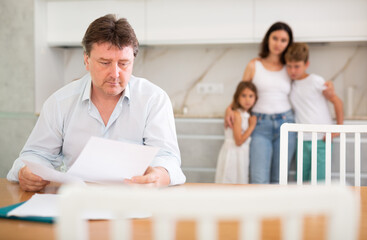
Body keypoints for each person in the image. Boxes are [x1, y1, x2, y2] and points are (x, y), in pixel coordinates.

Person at [7, 14, 186, 191]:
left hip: (135, 201)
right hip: (77, 201)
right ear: (87, 60)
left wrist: (159, 176)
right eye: (105, 62)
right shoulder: (59, 103)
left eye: (124, 63)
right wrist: (26, 173)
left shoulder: (153, 100)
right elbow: (35, 155)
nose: (115, 74)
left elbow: (167, 157)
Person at [225, 22, 335, 184]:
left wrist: (329, 84)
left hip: (286, 124)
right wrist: (229, 109)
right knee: (258, 178)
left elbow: (307, 81)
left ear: (288, 43)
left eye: (283, 40)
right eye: (275, 38)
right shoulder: (254, 65)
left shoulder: (289, 67)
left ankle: (276, 211)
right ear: (267, 39)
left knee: (280, 179)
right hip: (259, 125)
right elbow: (241, 93)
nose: (278, 43)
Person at [285, 42, 344, 182]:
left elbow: (337, 102)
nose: (292, 70)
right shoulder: (291, 84)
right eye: (289, 66)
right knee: (302, 180)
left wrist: (339, 128)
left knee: (319, 182)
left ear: (306, 64)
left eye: (297, 66)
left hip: (321, 139)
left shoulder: (315, 81)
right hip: (302, 140)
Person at [216, 81, 257, 184]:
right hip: (234, 154)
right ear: (237, 97)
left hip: (241, 154)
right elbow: (238, 141)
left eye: (251, 96)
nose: (247, 99)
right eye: (243, 95)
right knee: (231, 180)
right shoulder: (237, 115)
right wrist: (251, 126)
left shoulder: (245, 114)